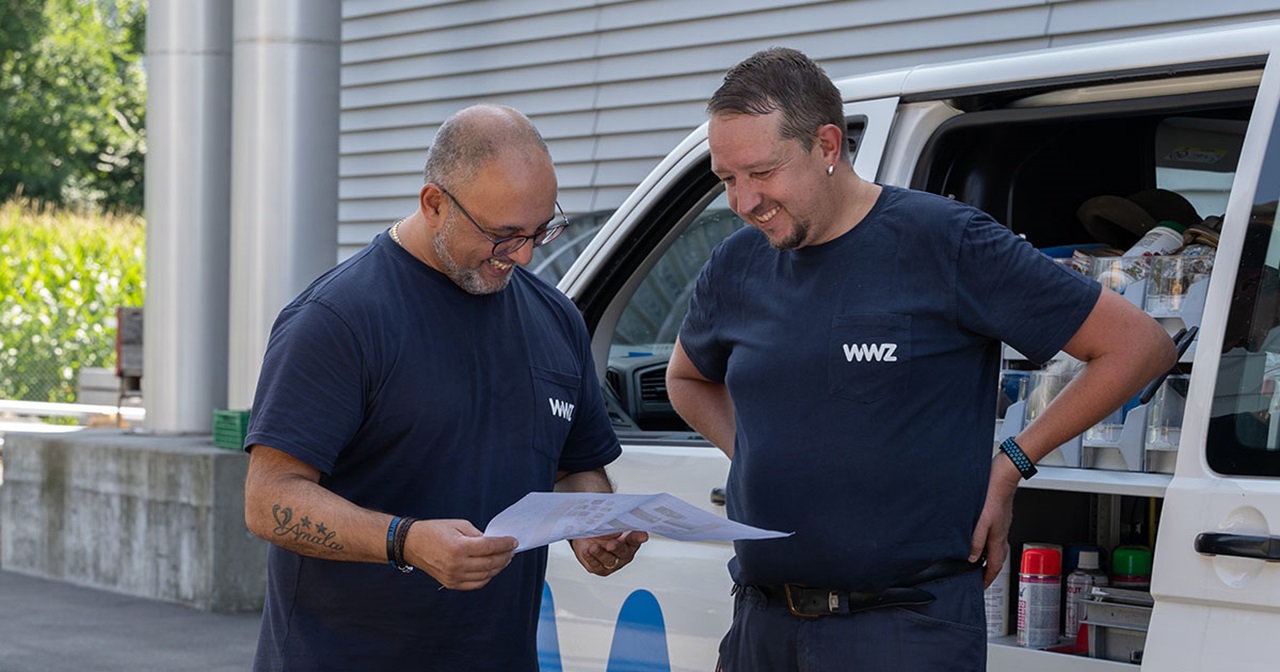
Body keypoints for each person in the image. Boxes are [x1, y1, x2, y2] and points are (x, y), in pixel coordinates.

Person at [664, 48, 1175, 671]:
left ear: (827, 145)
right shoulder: (736, 263)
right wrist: (756, 454)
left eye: (761, 173)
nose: (743, 201)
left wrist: (1010, 466)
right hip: (762, 626)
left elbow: (1138, 347)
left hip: (902, 629)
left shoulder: (946, 241)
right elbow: (687, 379)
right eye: (726, 179)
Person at [242, 103, 647, 671]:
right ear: (434, 204)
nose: (525, 255)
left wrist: (592, 526)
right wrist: (404, 541)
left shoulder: (556, 320)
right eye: (502, 234)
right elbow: (269, 500)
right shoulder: (337, 318)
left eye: (540, 230)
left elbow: (576, 466)